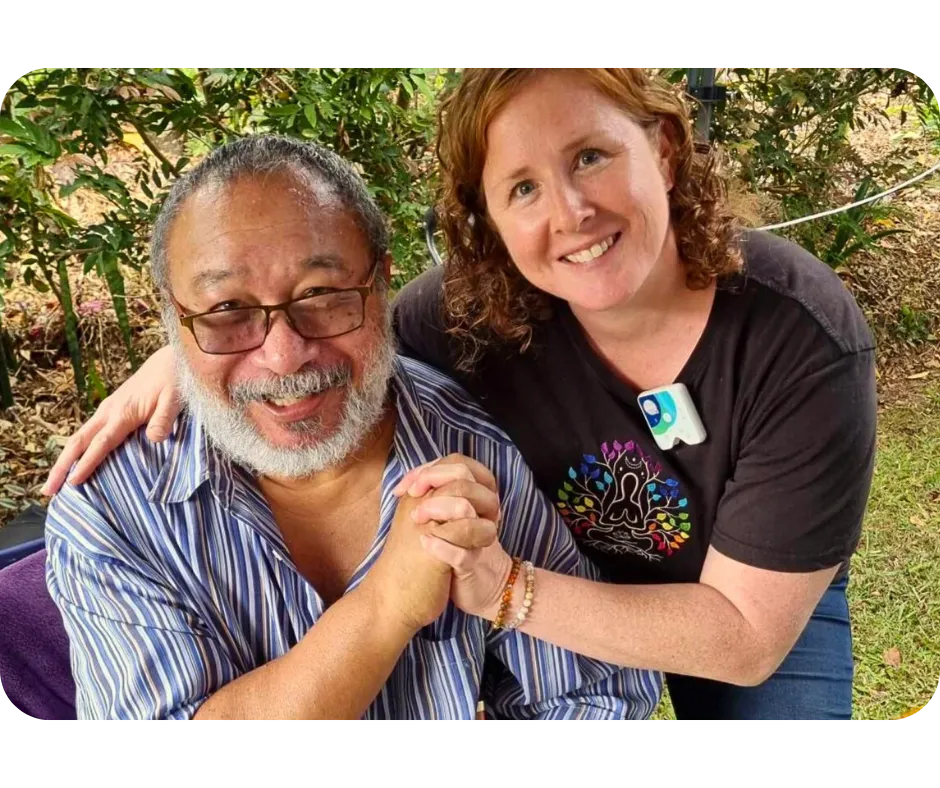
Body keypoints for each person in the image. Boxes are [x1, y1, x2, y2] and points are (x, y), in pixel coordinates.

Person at [43, 66, 878, 722]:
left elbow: (741, 642)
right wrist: (194, 355)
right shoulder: (474, 311)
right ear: (491, 219)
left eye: (591, 155)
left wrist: (505, 590)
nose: (571, 212)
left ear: (661, 148)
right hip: (568, 578)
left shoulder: (801, 336)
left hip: (744, 592)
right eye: (523, 187)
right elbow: (297, 339)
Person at [40, 134, 661, 723]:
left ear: (382, 284)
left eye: (322, 294)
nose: (284, 356)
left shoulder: (473, 450)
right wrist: (387, 606)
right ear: (174, 318)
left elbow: (593, 694)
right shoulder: (112, 507)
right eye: (228, 309)